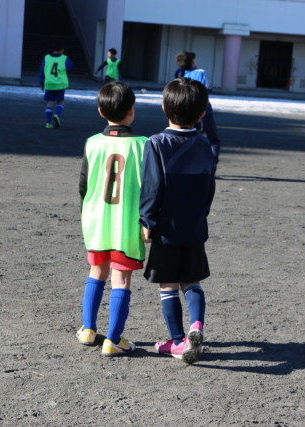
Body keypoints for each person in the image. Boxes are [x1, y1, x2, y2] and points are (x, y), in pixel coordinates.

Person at [139, 78, 217, 364]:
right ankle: (197, 325)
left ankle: (177, 341)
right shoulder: (205, 144)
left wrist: (147, 220)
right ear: (202, 114)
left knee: (168, 285)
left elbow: (152, 187)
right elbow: (209, 187)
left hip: (166, 228)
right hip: (194, 226)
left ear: (164, 108)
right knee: (192, 281)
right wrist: (202, 214)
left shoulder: (157, 143)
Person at [77, 81, 148, 357]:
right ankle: (114, 340)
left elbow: (83, 185)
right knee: (122, 279)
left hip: (96, 220)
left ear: (100, 111)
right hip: (126, 224)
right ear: (132, 109)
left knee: (96, 271)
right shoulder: (143, 144)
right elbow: (151, 188)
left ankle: (88, 329)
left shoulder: (93, 142)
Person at [175, 51, 220, 162]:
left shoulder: (179, 75)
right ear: (192, 62)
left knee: (187, 138)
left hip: (187, 110)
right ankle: (211, 166)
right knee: (211, 140)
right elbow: (208, 89)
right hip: (203, 110)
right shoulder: (200, 72)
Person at [39, 44, 73, 129]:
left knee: (50, 103)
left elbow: (41, 70)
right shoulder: (64, 58)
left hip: (49, 83)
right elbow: (70, 66)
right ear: (61, 50)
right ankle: (57, 115)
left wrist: (41, 82)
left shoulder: (46, 57)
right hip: (60, 84)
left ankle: (48, 123)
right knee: (60, 101)